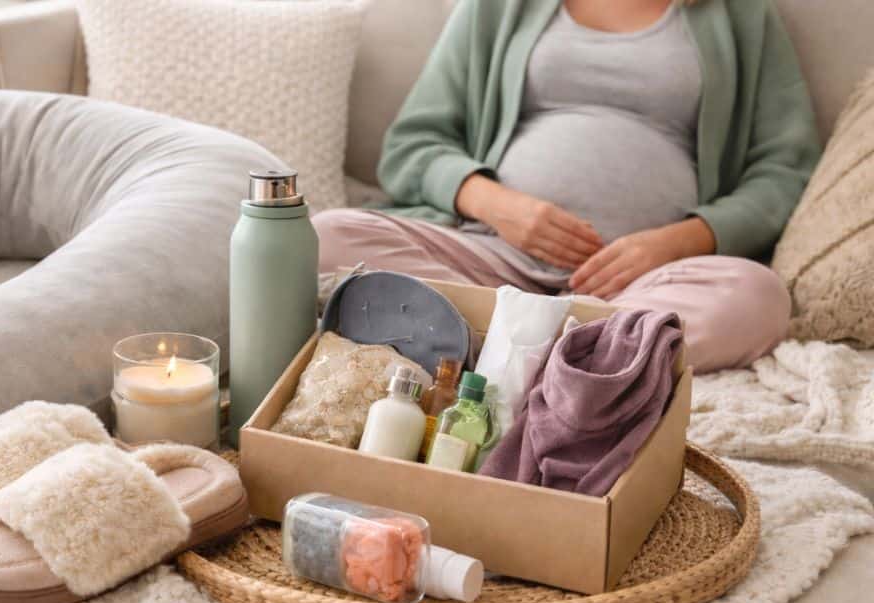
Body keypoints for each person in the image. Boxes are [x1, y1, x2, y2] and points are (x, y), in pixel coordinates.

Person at [315, 0, 821, 372]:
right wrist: (500, 206)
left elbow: (783, 171)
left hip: (639, 287)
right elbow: (412, 145)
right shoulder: (497, 7)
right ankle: (593, 358)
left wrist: (673, 242)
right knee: (325, 236)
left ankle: (498, 345)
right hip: (489, 261)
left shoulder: (741, 15)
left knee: (760, 297)